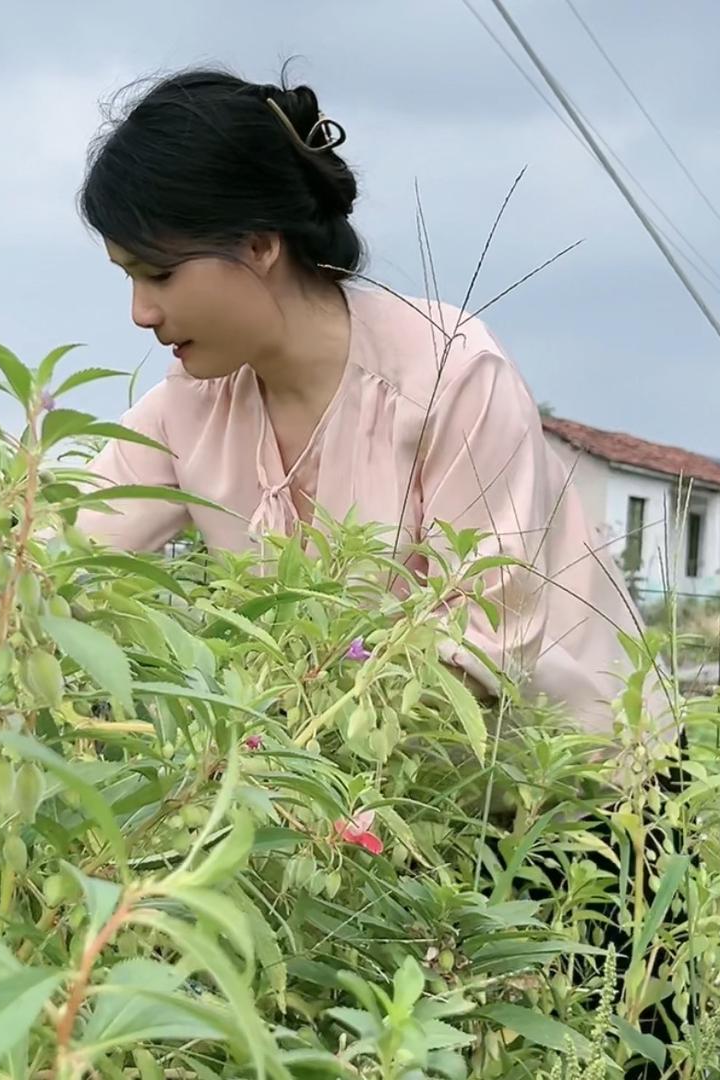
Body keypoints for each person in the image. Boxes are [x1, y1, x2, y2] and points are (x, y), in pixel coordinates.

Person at [74, 66, 666, 742]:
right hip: (371, 791)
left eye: (160, 274)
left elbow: (486, 645)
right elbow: (62, 556)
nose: (141, 313)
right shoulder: (188, 409)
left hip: (580, 788)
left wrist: (276, 740)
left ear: (260, 244)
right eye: (129, 278)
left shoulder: (450, 372)